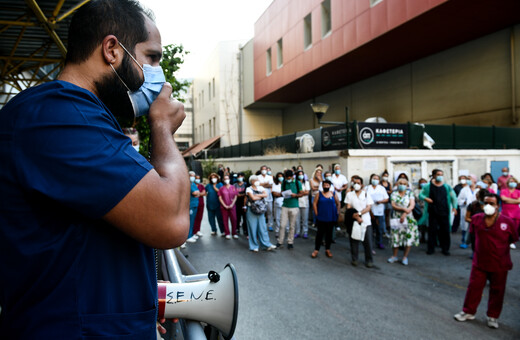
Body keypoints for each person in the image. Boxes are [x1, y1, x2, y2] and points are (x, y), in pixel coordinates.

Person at [0, 1, 190, 338]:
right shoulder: (57, 116)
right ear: (112, 50)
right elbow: (170, 219)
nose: (160, 78)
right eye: (152, 57)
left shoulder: (81, 117)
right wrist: (161, 125)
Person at [454, 193, 519, 329]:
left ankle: (493, 316)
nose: (488, 206)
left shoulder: (507, 222)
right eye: (486, 203)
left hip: (500, 263)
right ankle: (468, 312)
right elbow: (473, 236)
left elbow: (513, 239)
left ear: (498, 206)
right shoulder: (477, 219)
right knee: (474, 288)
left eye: (492, 203)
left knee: (497, 291)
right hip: (480, 262)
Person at [419, 169, 458, 255]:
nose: (440, 176)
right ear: (433, 176)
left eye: (441, 174)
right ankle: (431, 248)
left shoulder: (446, 187)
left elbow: (453, 197)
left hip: (444, 212)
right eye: (438, 174)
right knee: (432, 231)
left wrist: (455, 207)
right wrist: (426, 198)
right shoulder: (428, 186)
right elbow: (421, 195)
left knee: (445, 231)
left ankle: (445, 249)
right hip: (432, 212)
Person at [387, 178, 419, 265]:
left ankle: (405, 257)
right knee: (395, 237)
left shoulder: (410, 193)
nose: (402, 185)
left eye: (404, 184)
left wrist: (405, 213)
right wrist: (403, 209)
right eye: (400, 183)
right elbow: (393, 205)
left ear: (407, 185)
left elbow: (412, 205)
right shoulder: (394, 193)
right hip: (396, 218)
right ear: (397, 184)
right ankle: (394, 256)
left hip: (408, 218)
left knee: (408, 237)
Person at [345, 176, 374, 267]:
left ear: (362, 185)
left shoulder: (366, 194)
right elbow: (348, 207)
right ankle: (355, 259)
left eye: (358, 183)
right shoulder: (350, 194)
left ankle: (369, 260)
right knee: (354, 240)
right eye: (355, 183)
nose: (356, 184)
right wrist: (355, 215)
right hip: (354, 220)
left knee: (367, 242)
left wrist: (360, 213)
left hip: (365, 221)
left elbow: (369, 207)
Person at [245, 175, 277, 252]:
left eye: (257, 180)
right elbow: (252, 198)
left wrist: (257, 195)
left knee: (263, 228)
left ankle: (266, 244)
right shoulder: (248, 189)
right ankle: (253, 246)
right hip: (251, 210)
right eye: (255, 180)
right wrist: (261, 196)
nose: (257, 181)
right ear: (252, 181)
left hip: (261, 209)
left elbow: (266, 195)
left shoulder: (261, 188)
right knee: (252, 228)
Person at [311, 180, 340, 258]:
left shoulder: (333, 194)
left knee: (329, 235)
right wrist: (317, 213)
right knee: (319, 234)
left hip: (331, 218)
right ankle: (316, 250)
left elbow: (338, 203)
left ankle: (328, 249)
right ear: (322, 186)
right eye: (325, 185)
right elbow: (314, 203)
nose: (326, 186)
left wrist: (337, 212)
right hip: (321, 218)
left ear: (330, 186)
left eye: (327, 185)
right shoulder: (319, 194)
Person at [277, 169, 303, 249]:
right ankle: (280, 241)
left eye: (289, 178)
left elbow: (301, 193)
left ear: (292, 177)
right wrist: (283, 194)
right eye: (287, 178)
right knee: (282, 225)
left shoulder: (297, 183)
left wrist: (295, 195)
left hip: (294, 206)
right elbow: (282, 192)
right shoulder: (284, 183)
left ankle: (290, 242)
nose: (288, 179)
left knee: (292, 225)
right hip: (285, 205)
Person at [366, 173, 389, 249]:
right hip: (369, 211)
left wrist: (380, 201)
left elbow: (386, 198)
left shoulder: (382, 188)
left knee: (379, 228)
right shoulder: (367, 188)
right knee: (370, 229)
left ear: (379, 180)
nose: (375, 180)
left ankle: (379, 242)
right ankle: (370, 244)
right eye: (373, 178)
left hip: (379, 211)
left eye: (376, 179)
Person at [500, 177, 520, 249]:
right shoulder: (504, 190)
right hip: (506, 212)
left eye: (514, 181)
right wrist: (514, 200)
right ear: (508, 183)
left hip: (516, 212)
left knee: (515, 228)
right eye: (511, 181)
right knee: (505, 226)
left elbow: (519, 201)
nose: (512, 183)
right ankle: (504, 241)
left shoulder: (518, 191)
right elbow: (503, 199)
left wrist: (508, 200)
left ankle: (512, 242)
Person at [457, 175, 476, 248]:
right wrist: (464, 202)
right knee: (465, 226)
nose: (468, 180)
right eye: (467, 179)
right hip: (465, 209)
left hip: (476, 210)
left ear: (474, 180)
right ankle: (464, 241)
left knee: (474, 226)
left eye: (469, 179)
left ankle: (473, 242)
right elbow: (459, 199)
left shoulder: (479, 189)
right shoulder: (464, 189)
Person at [218, 175, 239, 239]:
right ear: (223, 180)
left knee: (234, 219)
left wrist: (232, 204)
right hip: (224, 207)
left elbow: (235, 196)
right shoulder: (221, 188)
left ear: (229, 179)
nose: (226, 180)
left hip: (232, 206)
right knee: (225, 220)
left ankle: (234, 233)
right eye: (225, 179)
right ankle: (227, 233)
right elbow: (220, 198)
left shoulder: (233, 187)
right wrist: (224, 205)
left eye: (227, 178)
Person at [258, 165, 275, 231]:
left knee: (270, 211)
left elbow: (270, 185)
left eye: (265, 169)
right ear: (260, 170)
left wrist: (262, 184)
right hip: (261, 197)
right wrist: (265, 184)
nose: (264, 170)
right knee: (262, 212)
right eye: (263, 169)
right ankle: (262, 225)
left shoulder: (270, 177)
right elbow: (258, 185)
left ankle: (270, 225)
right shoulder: (258, 177)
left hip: (269, 197)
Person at [295, 170, 311, 239]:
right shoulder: (295, 183)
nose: (300, 176)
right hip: (297, 202)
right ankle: (297, 232)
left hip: (305, 203)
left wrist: (299, 194)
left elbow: (307, 192)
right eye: (299, 174)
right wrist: (302, 193)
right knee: (297, 219)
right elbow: (294, 192)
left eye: (302, 174)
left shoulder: (306, 183)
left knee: (305, 219)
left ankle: (305, 232)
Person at [186, 171, 201, 244]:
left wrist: (197, 193)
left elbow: (198, 192)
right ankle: (188, 236)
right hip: (191, 205)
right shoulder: (188, 184)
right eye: (191, 175)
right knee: (190, 221)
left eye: (193, 176)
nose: (193, 177)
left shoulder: (193, 184)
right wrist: (197, 193)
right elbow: (195, 193)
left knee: (193, 220)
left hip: (195, 204)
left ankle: (191, 234)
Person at [234, 172, 248, 237]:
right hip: (236, 202)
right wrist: (239, 195)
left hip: (244, 202)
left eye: (241, 176)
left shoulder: (246, 184)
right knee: (237, 216)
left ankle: (245, 229)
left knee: (245, 217)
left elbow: (247, 193)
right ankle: (237, 228)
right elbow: (234, 193)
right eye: (238, 177)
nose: (240, 178)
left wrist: (241, 194)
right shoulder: (234, 185)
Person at [192, 174, 206, 238]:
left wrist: (198, 194)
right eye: (196, 178)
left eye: (199, 178)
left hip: (201, 204)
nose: (198, 179)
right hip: (194, 204)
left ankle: (198, 230)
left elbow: (204, 193)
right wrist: (200, 193)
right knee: (193, 218)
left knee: (199, 217)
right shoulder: (192, 185)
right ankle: (193, 232)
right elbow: (193, 193)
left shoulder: (201, 186)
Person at [272, 172, 285, 237]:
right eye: (279, 176)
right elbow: (274, 194)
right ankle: (277, 230)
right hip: (277, 202)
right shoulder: (275, 184)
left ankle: (285, 230)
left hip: (285, 202)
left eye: (281, 176)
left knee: (285, 217)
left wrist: (280, 194)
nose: (280, 178)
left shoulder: (286, 184)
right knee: (278, 217)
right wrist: (282, 194)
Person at [381, 170, 393, 236]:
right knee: (383, 216)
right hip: (382, 201)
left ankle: (388, 228)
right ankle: (383, 230)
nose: (385, 177)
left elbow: (391, 191)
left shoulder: (389, 183)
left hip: (388, 201)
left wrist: (388, 192)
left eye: (387, 176)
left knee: (388, 215)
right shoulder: (380, 183)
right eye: (384, 176)